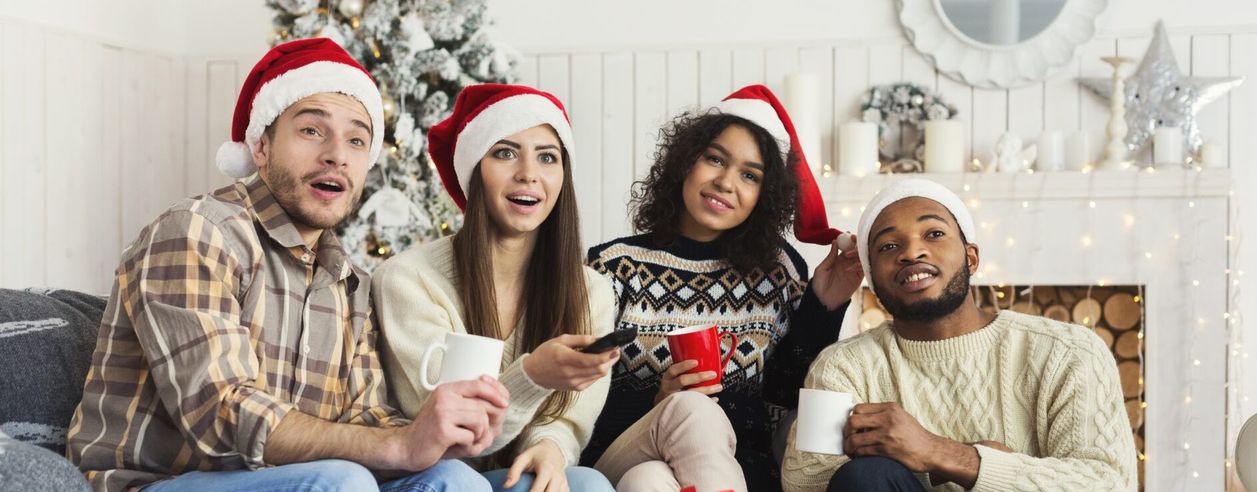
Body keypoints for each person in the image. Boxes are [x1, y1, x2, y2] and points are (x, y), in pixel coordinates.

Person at [65, 38, 506, 492]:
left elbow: (363, 416)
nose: (337, 153)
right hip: (156, 482)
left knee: (455, 480)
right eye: (312, 130)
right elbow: (220, 415)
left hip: (293, 480)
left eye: (357, 139)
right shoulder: (197, 232)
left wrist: (435, 438)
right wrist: (397, 446)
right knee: (343, 482)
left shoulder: (351, 283)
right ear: (260, 146)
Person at [582, 85, 863, 492]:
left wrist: (824, 304)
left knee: (649, 482)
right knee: (688, 412)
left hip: (732, 466)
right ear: (685, 163)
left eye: (750, 175)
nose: (726, 182)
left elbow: (787, 400)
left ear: (764, 195)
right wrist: (658, 401)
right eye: (715, 159)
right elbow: (573, 398)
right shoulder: (615, 266)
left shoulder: (778, 272)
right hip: (620, 449)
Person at [781, 178, 1137, 491]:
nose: (912, 252)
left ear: (971, 258)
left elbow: (1108, 483)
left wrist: (944, 454)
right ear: (872, 275)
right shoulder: (842, 367)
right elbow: (804, 483)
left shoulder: (1068, 351)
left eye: (934, 234)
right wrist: (936, 468)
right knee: (866, 478)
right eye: (889, 246)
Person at [373, 84, 616, 492]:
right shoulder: (407, 279)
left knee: (587, 484)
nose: (528, 173)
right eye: (504, 152)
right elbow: (454, 441)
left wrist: (552, 446)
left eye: (547, 157)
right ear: (474, 170)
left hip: (510, 477)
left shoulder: (590, 291)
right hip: (438, 477)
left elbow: (570, 418)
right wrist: (533, 376)